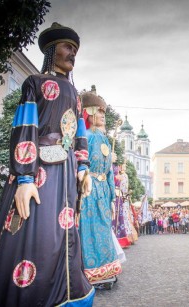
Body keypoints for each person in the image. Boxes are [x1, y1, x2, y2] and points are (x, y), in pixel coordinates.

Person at [0, 23, 95, 306]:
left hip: (67, 175)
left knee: (64, 236)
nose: (72, 53)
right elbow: (25, 128)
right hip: (40, 172)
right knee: (36, 233)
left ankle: (66, 294)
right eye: (67, 47)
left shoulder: (75, 94)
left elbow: (79, 133)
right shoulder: (34, 83)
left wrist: (83, 166)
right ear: (51, 50)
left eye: (75, 49)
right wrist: (24, 179)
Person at [79, 89, 122, 285]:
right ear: (89, 112)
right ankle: (89, 271)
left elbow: (111, 172)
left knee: (104, 229)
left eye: (104, 114)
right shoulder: (84, 137)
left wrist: (112, 197)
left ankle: (105, 270)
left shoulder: (104, 138)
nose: (103, 117)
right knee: (89, 230)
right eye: (100, 112)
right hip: (89, 189)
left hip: (104, 191)